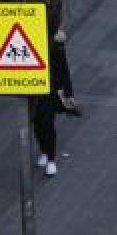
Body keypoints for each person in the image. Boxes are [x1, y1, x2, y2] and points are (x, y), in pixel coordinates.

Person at [32, 28, 78, 177]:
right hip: (31, 87)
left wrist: (68, 92)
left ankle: (50, 158)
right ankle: (44, 150)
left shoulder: (54, 41)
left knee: (47, 122)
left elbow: (64, 68)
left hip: (49, 88)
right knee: (36, 123)